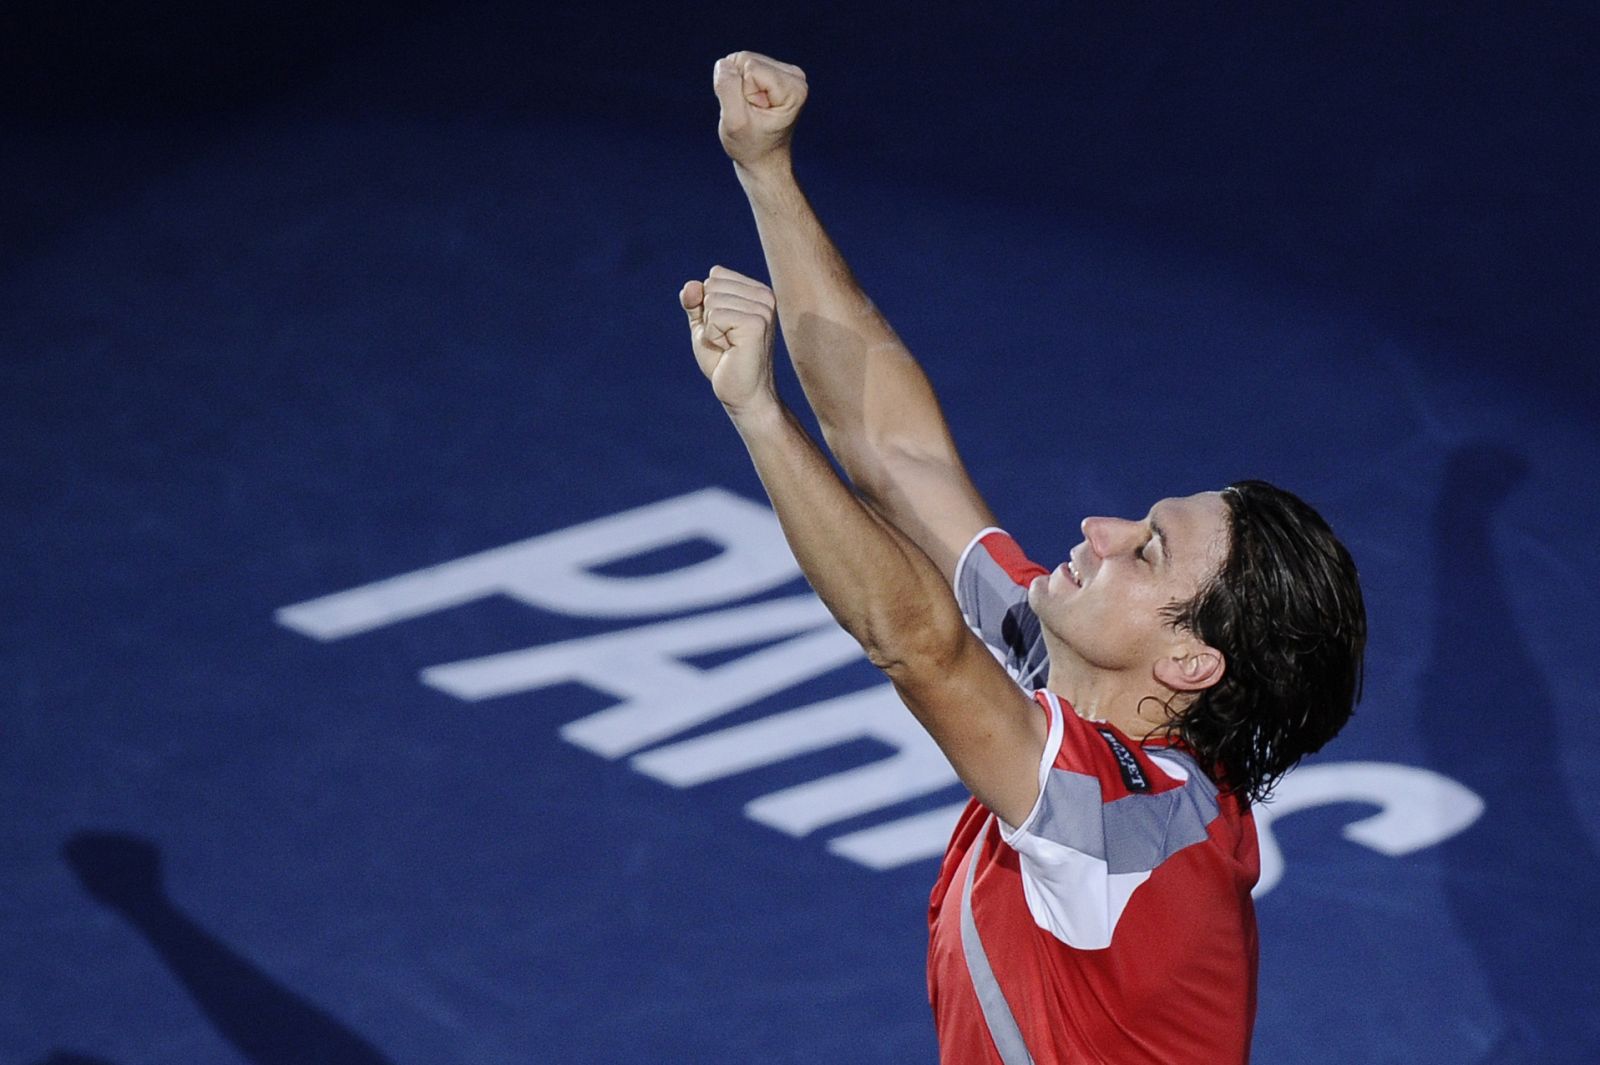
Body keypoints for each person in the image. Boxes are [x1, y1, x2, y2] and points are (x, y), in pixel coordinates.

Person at [679, 51, 1366, 1065]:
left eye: (1146, 552)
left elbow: (916, 645)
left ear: (1187, 664)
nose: (1096, 532)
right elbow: (896, 456)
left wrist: (758, 416)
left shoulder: (1125, 825)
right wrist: (767, 172)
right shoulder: (1083, 685)